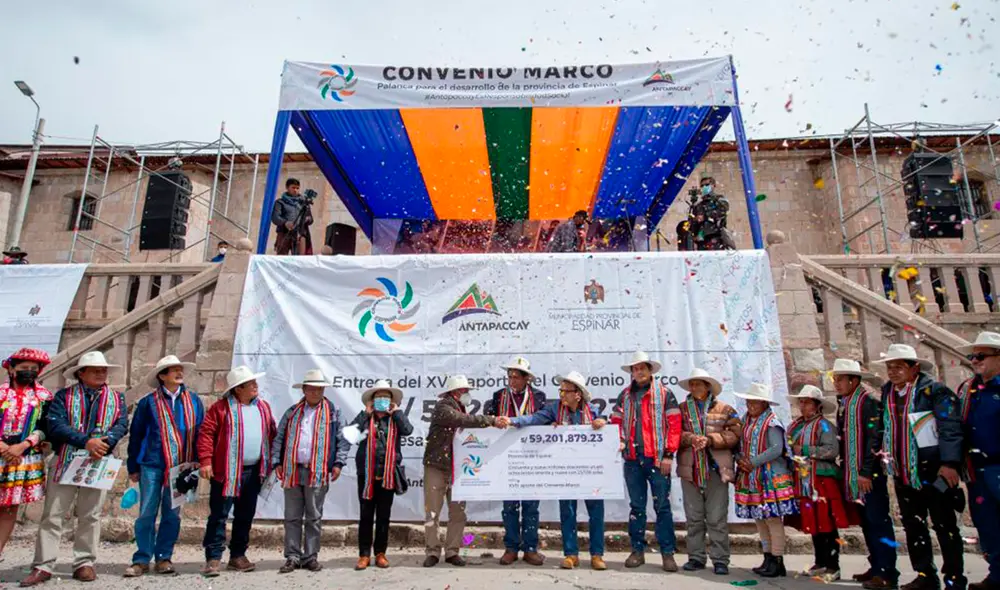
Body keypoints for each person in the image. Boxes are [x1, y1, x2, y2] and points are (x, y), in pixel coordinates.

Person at [21, 351, 127, 587]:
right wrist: (86, 441)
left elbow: (121, 424)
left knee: (91, 514)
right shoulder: (63, 397)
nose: (102, 373)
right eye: (96, 369)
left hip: (98, 460)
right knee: (53, 514)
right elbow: (56, 425)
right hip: (66, 459)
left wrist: (104, 442)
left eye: (103, 370)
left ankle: (84, 562)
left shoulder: (116, 398)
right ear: (82, 373)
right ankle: (43, 564)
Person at [872, 344, 965, 590]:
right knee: (914, 526)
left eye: (899, 367)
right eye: (889, 367)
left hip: (933, 470)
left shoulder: (934, 392)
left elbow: (949, 428)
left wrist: (949, 463)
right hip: (903, 471)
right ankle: (925, 575)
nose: (893, 372)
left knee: (945, 526)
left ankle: (955, 578)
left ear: (914, 368)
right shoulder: (888, 393)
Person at [509, 371, 608, 571]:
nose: (561, 394)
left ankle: (597, 555)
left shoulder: (593, 411)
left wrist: (603, 424)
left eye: (566, 391)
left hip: (591, 470)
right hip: (566, 470)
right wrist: (512, 421)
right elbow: (535, 418)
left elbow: (611, 430)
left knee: (596, 512)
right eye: (560, 390)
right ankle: (571, 554)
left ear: (578, 394)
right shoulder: (555, 409)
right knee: (568, 512)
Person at [124, 355, 205, 578]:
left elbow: (200, 432)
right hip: (152, 463)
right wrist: (133, 465)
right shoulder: (148, 402)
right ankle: (141, 557)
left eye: (180, 370)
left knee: (172, 513)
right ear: (162, 376)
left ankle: (164, 557)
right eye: (173, 370)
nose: (179, 373)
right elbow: (137, 435)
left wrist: (200, 460)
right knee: (146, 512)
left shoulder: (194, 401)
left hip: (182, 466)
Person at [196, 365, 277, 578]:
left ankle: (238, 555)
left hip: (253, 472)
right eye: (251, 384)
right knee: (219, 515)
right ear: (238, 389)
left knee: (245, 514)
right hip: (226, 472)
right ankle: (213, 557)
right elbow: (206, 434)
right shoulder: (220, 409)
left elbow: (272, 433)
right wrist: (205, 461)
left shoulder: (263, 407)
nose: (255, 386)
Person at [423, 375, 508, 568]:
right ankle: (432, 552)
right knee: (433, 512)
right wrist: (492, 420)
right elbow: (463, 420)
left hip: (457, 468)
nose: (468, 394)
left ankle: (452, 551)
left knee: (458, 513)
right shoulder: (443, 407)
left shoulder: (460, 408)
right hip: (436, 466)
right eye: (465, 391)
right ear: (455, 392)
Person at [271, 369, 349, 574]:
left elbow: (343, 440)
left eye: (319, 388)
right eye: (312, 388)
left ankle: (310, 556)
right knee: (292, 516)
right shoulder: (292, 412)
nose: (316, 392)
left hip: (318, 470)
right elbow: (279, 437)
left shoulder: (333, 412)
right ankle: (292, 556)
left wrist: (339, 463)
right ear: (304, 389)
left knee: (314, 516)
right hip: (293, 470)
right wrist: (276, 461)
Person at [610, 351, 681, 572]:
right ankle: (637, 551)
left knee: (662, 507)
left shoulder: (665, 394)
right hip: (632, 459)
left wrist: (669, 454)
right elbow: (616, 422)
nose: (638, 372)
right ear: (631, 372)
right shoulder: (624, 395)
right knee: (637, 507)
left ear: (650, 371)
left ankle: (667, 554)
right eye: (635, 369)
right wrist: (620, 440)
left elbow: (675, 426)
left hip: (658, 459)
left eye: (642, 368)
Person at [831, 358, 898, 590]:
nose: (837, 383)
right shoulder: (845, 402)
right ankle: (876, 565)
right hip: (852, 472)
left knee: (878, 520)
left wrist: (867, 471)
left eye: (840, 379)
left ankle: (888, 571)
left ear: (854, 379)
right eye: (835, 379)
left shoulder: (868, 401)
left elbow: (875, 438)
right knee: (867, 522)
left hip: (867, 474)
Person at [676, 368, 741, 576]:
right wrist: (691, 438)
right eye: (692, 384)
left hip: (715, 469)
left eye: (698, 384)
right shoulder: (681, 409)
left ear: (708, 386)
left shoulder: (725, 409)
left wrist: (711, 439)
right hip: (690, 468)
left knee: (716, 517)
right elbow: (673, 433)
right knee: (694, 517)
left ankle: (720, 559)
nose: (694, 387)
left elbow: (735, 434)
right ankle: (696, 557)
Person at [786, 385, 853, 582]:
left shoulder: (824, 426)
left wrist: (803, 450)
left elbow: (832, 450)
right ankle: (820, 561)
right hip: (805, 480)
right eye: (801, 402)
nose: (802, 405)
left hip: (823, 480)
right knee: (813, 521)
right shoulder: (797, 426)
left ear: (817, 405)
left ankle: (833, 566)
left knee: (827, 522)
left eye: (807, 402)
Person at [485, 356, 547, 566]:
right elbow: (489, 422)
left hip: (531, 457)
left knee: (531, 506)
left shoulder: (539, 397)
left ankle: (530, 549)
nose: (512, 381)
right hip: (506, 458)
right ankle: (511, 547)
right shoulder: (498, 396)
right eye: (509, 376)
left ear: (526, 378)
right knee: (509, 506)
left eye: (516, 377)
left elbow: (544, 422)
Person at [733, 382, 797, 579]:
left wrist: (752, 462)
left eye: (755, 402)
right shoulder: (746, 422)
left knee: (773, 519)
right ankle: (767, 557)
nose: (751, 405)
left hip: (770, 476)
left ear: (764, 404)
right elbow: (740, 444)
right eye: (749, 402)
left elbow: (777, 449)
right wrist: (740, 459)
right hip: (753, 477)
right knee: (760, 519)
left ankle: (777, 559)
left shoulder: (772, 423)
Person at [351, 379, 413, 570]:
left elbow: (408, 430)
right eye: (379, 397)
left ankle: (380, 553)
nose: (382, 400)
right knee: (366, 515)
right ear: (372, 400)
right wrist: (365, 413)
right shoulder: (365, 418)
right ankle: (363, 555)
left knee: (384, 516)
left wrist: (397, 412)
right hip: (367, 474)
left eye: (386, 397)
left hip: (387, 475)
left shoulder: (394, 418)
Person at [957, 332, 1000, 590]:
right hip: (976, 469)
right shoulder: (968, 389)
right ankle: (996, 575)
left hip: (997, 464)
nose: (975, 360)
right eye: (973, 356)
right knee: (987, 525)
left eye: (981, 356)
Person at [0, 349, 52, 560]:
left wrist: (23, 445)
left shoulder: (43, 397)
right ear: (11, 369)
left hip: (22, 457)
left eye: (33, 369)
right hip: (3, 451)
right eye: (23, 369)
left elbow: (45, 426)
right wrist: (2, 446)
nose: (29, 373)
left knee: (10, 508)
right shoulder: (1, 393)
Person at [271, 178, 314, 255]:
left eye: (297, 188)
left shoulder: (304, 203)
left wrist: (307, 219)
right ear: (287, 188)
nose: (295, 190)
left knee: (300, 260)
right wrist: (285, 223)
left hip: (300, 234)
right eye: (293, 187)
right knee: (282, 258)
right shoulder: (280, 202)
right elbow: (275, 217)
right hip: (284, 233)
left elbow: (311, 219)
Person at [689, 176, 733, 251]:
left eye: (707, 185)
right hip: (701, 239)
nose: (704, 187)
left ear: (713, 185)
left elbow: (722, 211)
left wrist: (705, 216)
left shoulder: (720, 199)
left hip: (716, 236)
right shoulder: (699, 205)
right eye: (702, 186)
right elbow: (693, 222)